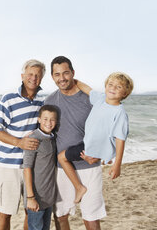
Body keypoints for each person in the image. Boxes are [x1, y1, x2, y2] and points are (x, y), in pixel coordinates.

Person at [44, 56, 106, 230]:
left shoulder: (89, 100)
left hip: (89, 166)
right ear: (52, 76)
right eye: (57, 74)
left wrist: (101, 152)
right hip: (61, 169)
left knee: (91, 218)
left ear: (73, 73)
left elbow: (108, 128)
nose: (61, 78)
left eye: (65, 73)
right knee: (60, 215)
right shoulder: (49, 101)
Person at [58, 72, 134, 204]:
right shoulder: (100, 99)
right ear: (105, 86)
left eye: (119, 87)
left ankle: (79, 187)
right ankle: (101, 159)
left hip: (93, 148)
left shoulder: (120, 112)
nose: (113, 88)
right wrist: (71, 80)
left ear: (125, 93)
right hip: (90, 145)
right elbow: (86, 88)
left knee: (61, 157)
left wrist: (118, 164)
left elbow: (120, 139)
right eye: (110, 84)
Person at [0, 59, 46, 230]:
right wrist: (18, 142)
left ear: (42, 78)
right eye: (30, 74)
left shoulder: (42, 101)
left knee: (31, 211)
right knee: (5, 212)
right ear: (22, 76)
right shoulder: (8, 99)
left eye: (38, 75)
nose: (33, 78)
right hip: (9, 165)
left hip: (33, 166)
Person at [23, 105, 58, 230]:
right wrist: (30, 198)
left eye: (52, 119)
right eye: (45, 119)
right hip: (36, 198)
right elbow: (26, 168)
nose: (49, 123)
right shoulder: (33, 139)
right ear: (39, 119)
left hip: (48, 197)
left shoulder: (52, 138)